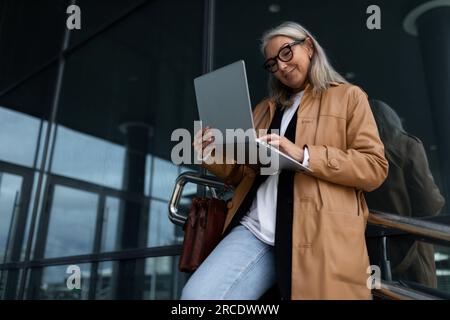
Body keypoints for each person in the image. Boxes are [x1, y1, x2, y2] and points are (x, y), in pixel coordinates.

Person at [181, 21, 388, 300]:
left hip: (317, 235)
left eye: (286, 53)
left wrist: (304, 154)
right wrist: (210, 152)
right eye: (272, 63)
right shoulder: (265, 110)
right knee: (197, 297)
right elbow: (243, 174)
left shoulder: (348, 97)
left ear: (310, 47)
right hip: (256, 231)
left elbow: (374, 167)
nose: (280, 66)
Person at [365, 99, 445, 288]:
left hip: (369, 252)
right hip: (411, 251)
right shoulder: (405, 146)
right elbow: (429, 203)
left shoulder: (353, 153)